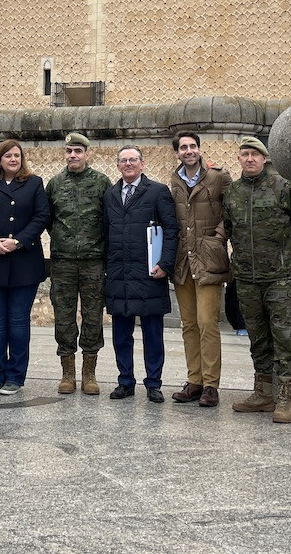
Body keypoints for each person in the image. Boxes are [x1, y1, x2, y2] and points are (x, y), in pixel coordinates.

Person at [225, 137, 291, 422]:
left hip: (280, 279)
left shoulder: (283, 188)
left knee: (285, 338)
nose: (249, 159)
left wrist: (285, 257)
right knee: (257, 338)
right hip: (247, 279)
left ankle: (285, 398)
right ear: (239, 159)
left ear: (264, 159)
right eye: (244, 154)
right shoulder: (233, 192)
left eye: (254, 155)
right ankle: (262, 393)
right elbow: (228, 229)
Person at [0, 139, 50, 395]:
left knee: (17, 322)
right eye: (8, 156)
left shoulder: (34, 183)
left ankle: (15, 377)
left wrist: (19, 241)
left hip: (24, 262)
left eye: (17, 155)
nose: (13, 159)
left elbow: (42, 216)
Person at [102, 146, 178, 402]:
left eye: (133, 159)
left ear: (142, 164)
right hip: (118, 274)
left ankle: (153, 383)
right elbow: (105, 232)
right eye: (123, 160)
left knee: (152, 333)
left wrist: (165, 264)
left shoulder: (157, 191)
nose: (128, 164)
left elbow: (171, 230)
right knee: (121, 334)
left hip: (149, 274)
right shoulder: (110, 194)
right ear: (117, 166)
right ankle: (125, 381)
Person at [168, 130, 232, 408]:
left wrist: (218, 236)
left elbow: (232, 211)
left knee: (208, 323)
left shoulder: (218, 177)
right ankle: (194, 381)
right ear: (178, 152)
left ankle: (211, 385)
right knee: (189, 324)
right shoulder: (174, 179)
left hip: (208, 258)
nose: (189, 151)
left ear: (199, 149)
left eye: (193, 146)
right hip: (183, 260)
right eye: (183, 147)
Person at [45, 132, 110, 396]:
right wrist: (65, 241)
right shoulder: (55, 184)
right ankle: (68, 373)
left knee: (93, 316)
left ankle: (89, 373)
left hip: (94, 262)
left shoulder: (102, 182)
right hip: (63, 262)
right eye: (69, 151)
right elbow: (48, 220)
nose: (73, 155)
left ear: (87, 154)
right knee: (63, 316)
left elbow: (109, 219)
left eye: (78, 151)